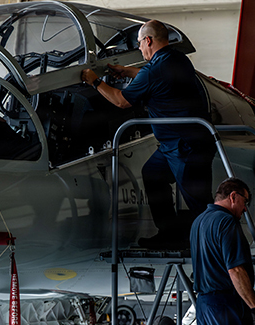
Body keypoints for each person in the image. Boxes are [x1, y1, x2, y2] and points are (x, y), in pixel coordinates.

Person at [81, 20, 214, 249]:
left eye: (140, 43)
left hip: (185, 147)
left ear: (148, 40)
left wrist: (95, 82)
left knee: (199, 202)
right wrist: (127, 71)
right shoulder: (177, 59)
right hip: (183, 143)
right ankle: (169, 233)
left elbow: (121, 101)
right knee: (152, 173)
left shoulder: (154, 71)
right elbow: (153, 76)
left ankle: (216, 249)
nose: (139, 47)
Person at [190, 178, 255, 325]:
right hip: (227, 305)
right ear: (233, 196)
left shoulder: (199, 222)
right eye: (245, 202)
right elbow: (236, 270)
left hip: (204, 304)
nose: (245, 209)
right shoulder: (227, 222)